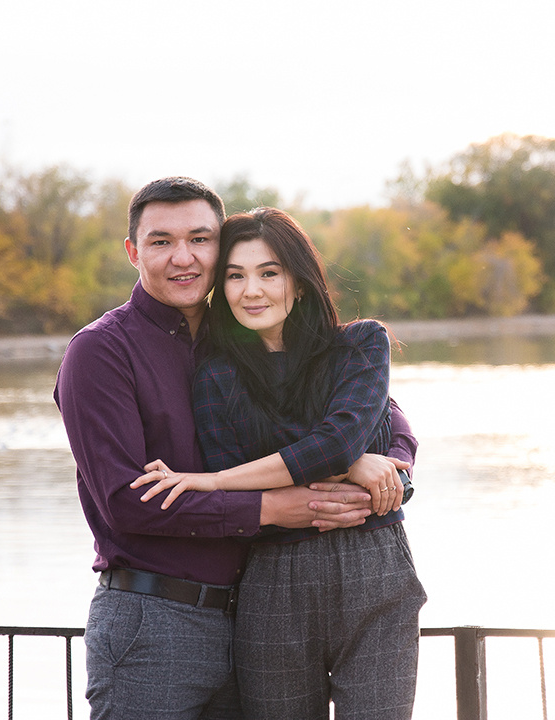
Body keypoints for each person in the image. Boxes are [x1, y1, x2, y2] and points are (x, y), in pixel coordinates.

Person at [54, 177, 417, 719]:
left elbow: (375, 413)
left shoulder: (233, 342)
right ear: (133, 251)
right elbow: (127, 503)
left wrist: (391, 462)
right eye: (160, 242)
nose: (183, 257)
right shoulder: (101, 352)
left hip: (248, 612)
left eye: (200, 239)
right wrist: (276, 504)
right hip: (155, 620)